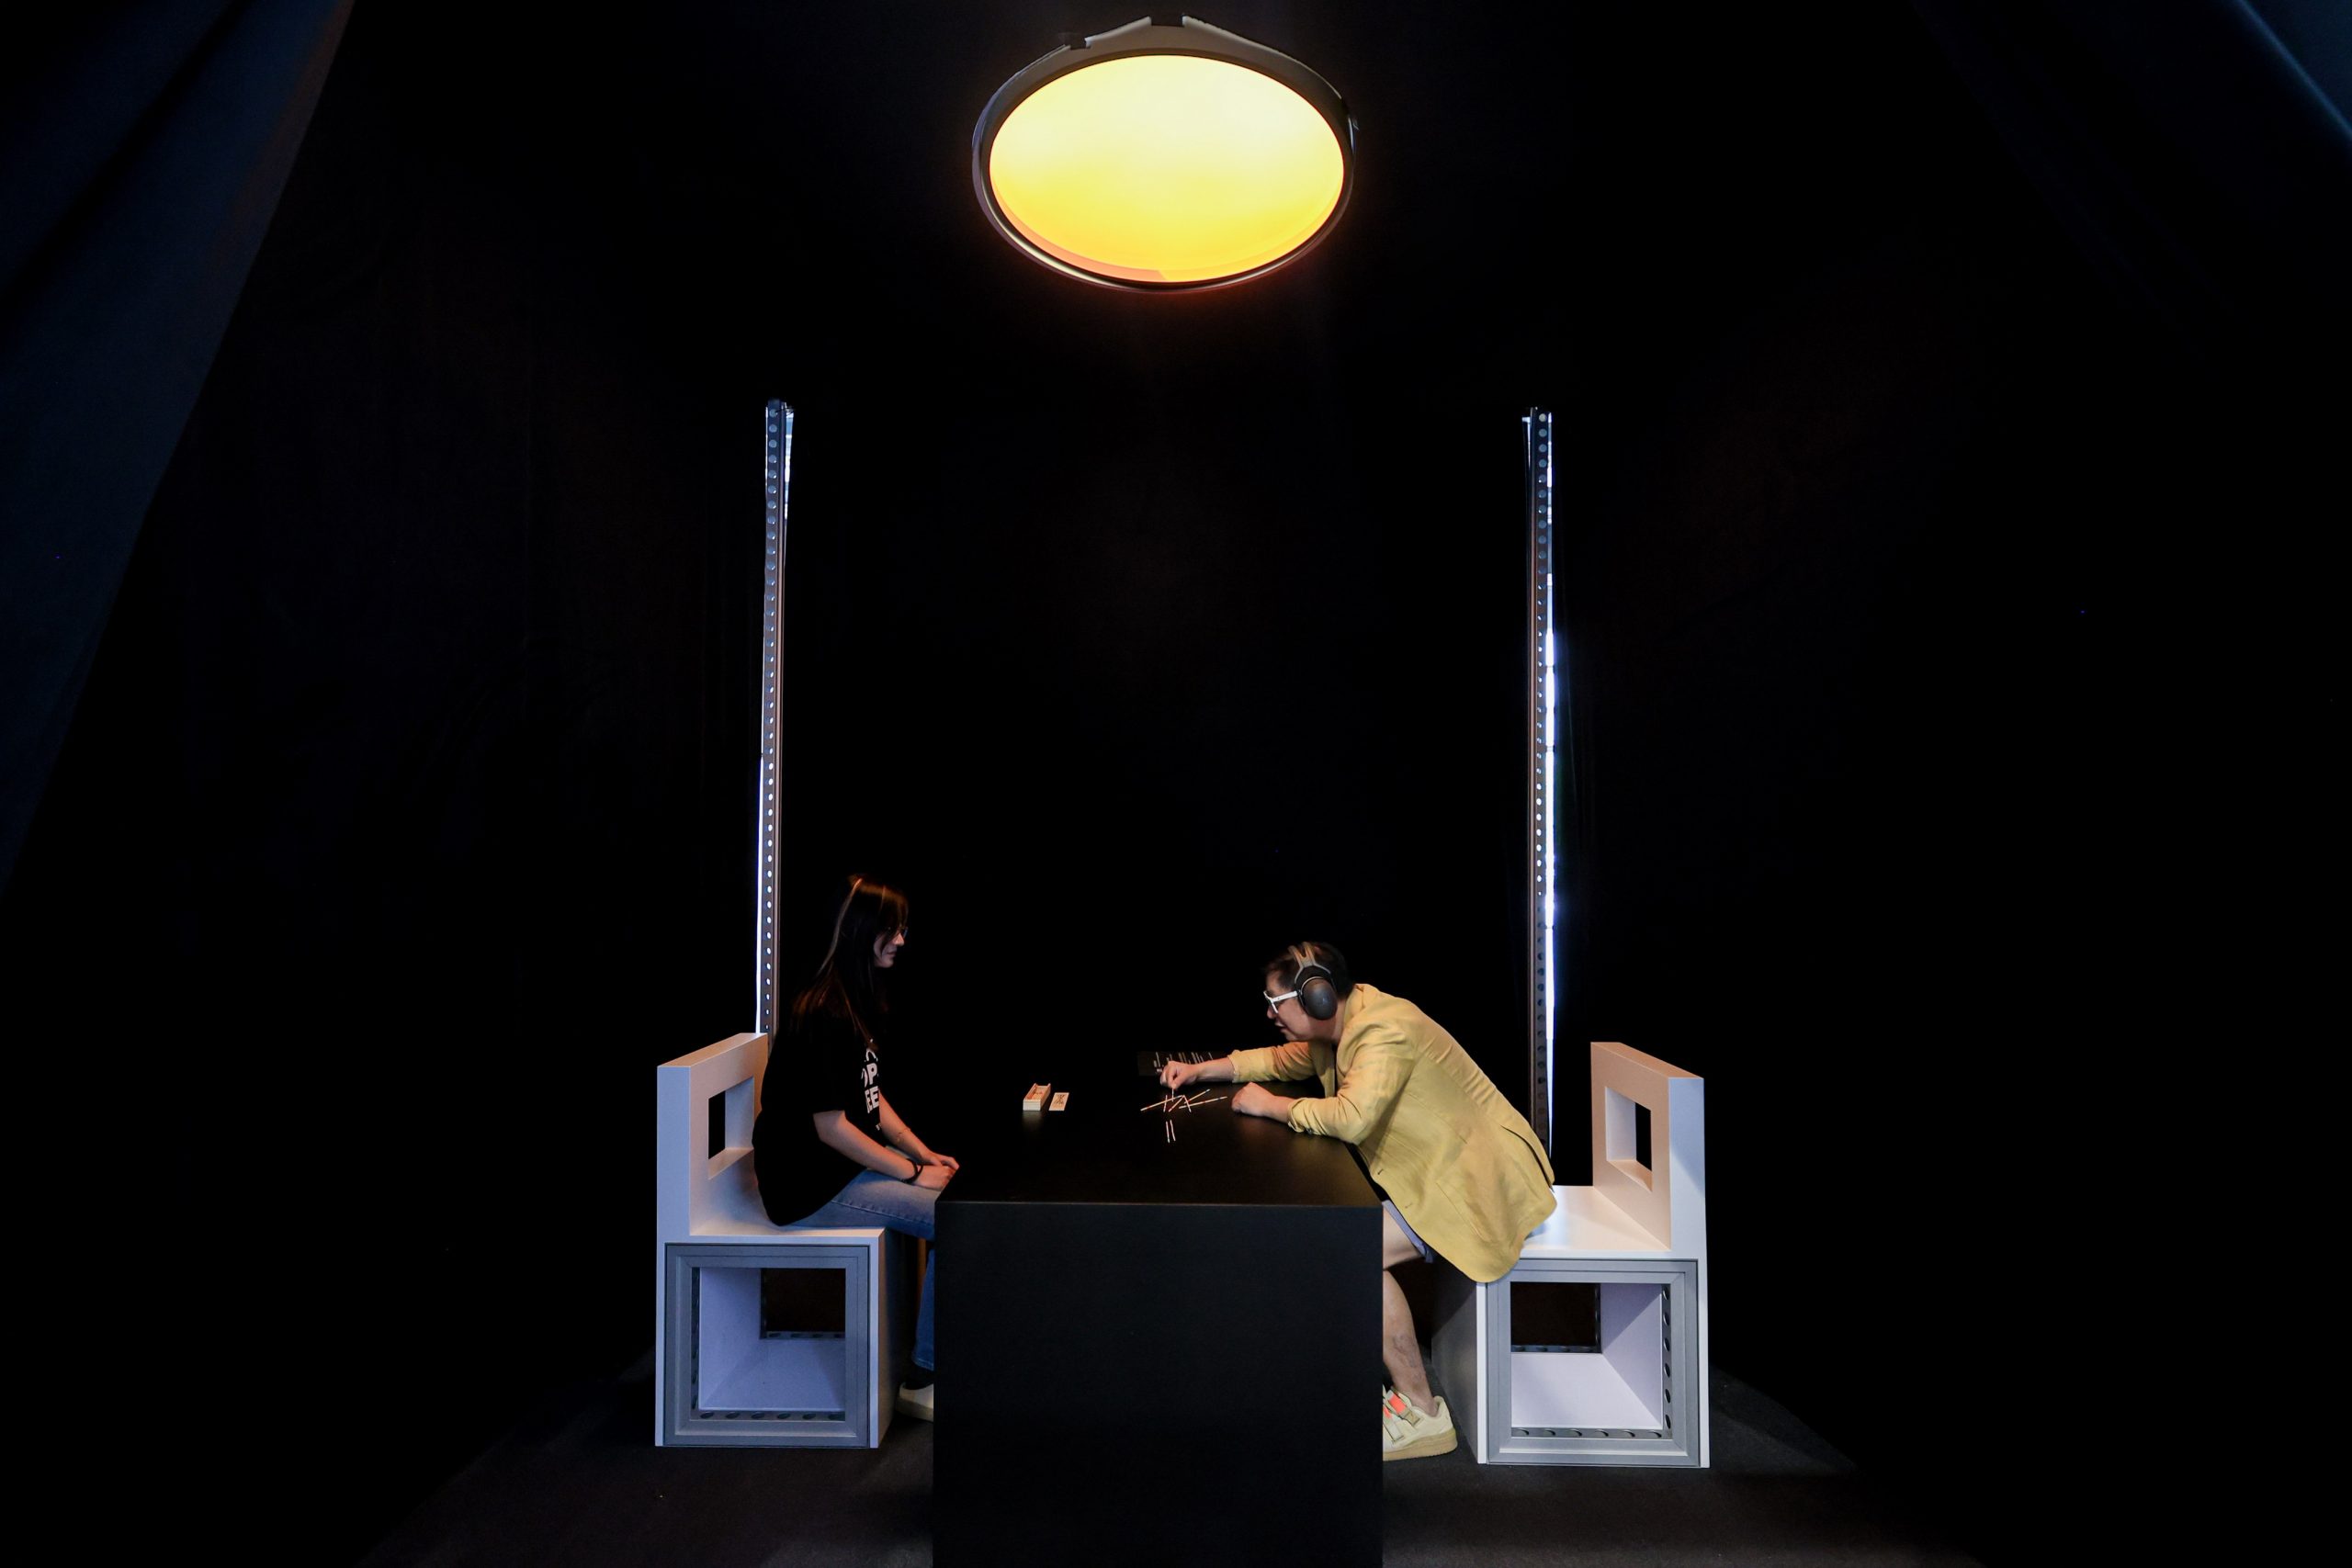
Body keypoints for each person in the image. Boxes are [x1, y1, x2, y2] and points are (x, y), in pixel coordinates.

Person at [1159, 942, 1555, 1461]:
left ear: (1318, 997)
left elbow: (1351, 1118)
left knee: (1351, 1250)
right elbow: (1281, 1060)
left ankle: (1424, 1413)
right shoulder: (1344, 1025)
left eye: (1276, 1003)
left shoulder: (1384, 1029)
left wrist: (1271, 1106)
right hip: (1437, 1175)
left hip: (1474, 1184)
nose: (1270, 1013)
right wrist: (1203, 1070)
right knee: (1335, 1241)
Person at [753, 874, 956, 1421]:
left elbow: (870, 1096)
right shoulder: (822, 1012)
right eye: (893, 930)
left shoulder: (852, 1002)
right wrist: (911, 1173)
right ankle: (925, 1378)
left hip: (837, 1172)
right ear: (861, 931)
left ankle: (931, 1361)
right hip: (809, 1186)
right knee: (957, 1220)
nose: (901, 940)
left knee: (959, 1201)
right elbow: (832, 1128)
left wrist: (922, 1153)